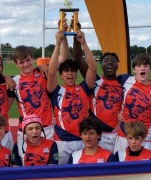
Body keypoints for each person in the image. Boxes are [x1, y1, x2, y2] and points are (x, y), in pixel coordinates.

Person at [47, 30, 96, 164]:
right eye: (66, 71)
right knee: (61, 175)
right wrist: (57, 44)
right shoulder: (56, 90)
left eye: (72, 71)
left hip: (82, 139)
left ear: (76, 74)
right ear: (61, 75)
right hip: (62, 141)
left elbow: (92, 68)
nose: (70, 74)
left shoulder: (84, 88)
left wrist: (84, 43)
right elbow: (51, 72)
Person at [74, 50, 123, 153]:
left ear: (117, 65)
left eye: (113, 60)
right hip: (98, 135)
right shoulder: (94, 81)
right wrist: (79, 41)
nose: (109, 62)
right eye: (106, 60)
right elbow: (78, 58)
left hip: (118, 135)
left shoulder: (124, 83)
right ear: (101, 66)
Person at [114, 54, 151, 153]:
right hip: (125, 132)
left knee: (146, 166)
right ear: (134, 70)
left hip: (146, 133)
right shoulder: (125, 79)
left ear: (150, 69)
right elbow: (109, 80)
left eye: (145, 66)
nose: (142, 68)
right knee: (122, 163)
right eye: (139, 66)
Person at [11, 45, 54, 143]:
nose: (26, 64)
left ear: (32, 59)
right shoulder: (14, 81)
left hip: (46, 128)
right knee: (26, 158)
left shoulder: (42, 73)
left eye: (28, 60)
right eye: (21, 62)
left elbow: (60, 60)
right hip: (27, 129)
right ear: (16, 64)